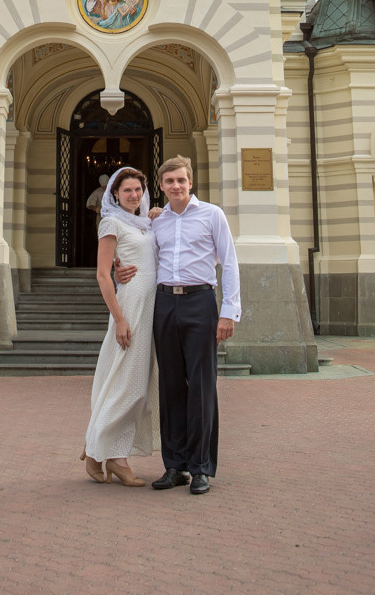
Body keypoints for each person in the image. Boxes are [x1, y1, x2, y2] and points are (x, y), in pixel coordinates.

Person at [117, 154, 240, 496]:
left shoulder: (212, 215)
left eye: (181, 180)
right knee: (170, 386)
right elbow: (138, 256)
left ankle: (201, 468)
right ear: (161, 186)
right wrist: (117, 271)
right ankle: (175, 466)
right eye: (169, 182)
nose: (176, 186)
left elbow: (229, 264)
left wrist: (229, 311)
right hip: (164, 303)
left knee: (201, 386)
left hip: (200, 303)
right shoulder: (155, 221)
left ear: (191, 182)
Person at [81, 167, 159, 488]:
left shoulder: (147, 223)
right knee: (128, 384)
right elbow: (102, 274)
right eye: (126, 190)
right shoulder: (111, 222)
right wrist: (120, 320)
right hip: (130, 310)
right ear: (114, 193)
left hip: (152, 309)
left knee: (137, 382)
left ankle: (95, 448)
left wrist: (158, 214)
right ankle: (113, 456)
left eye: (138, 190)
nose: (133, 195)